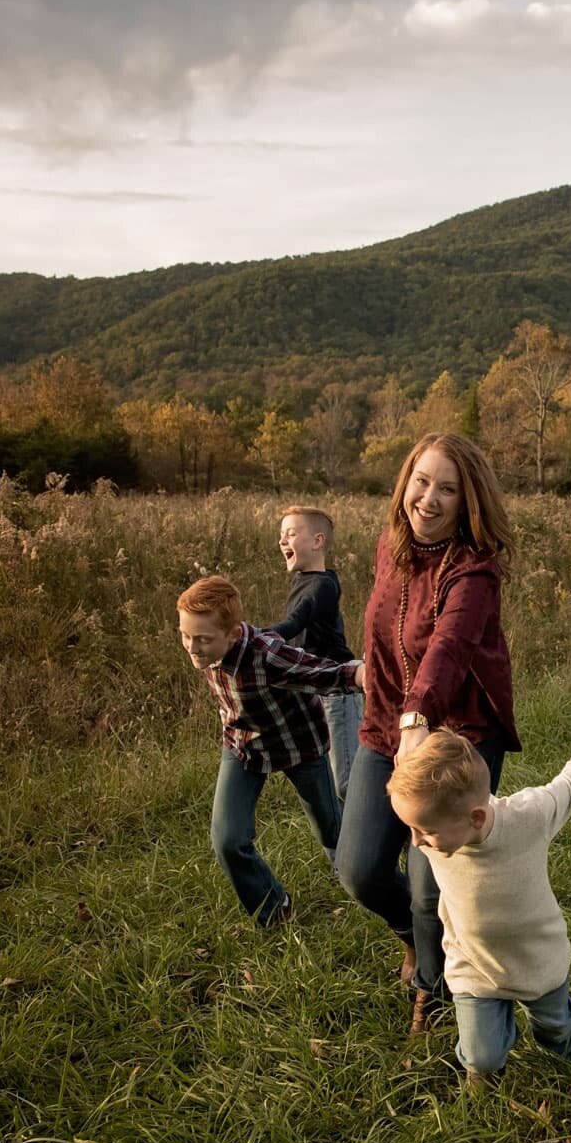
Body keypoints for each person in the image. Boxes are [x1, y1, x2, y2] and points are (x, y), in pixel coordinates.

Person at [334, 433, 520, 1031]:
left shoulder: (475, 570)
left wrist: (418, 718)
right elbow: (381, 630)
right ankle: (414, 939)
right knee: (358, 869)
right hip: (386, 727)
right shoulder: (390, 545)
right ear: (405, 482)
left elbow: (449, 648)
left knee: (429, 890)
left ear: (468, 499)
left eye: (447, 488)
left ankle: (434, 991)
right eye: (421, 481)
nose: (429, 499)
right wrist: (385, 702)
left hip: (457, 736)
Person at [388, 725, 571, 1079]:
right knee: (481, 1058)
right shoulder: (437, 828)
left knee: (555, 1034)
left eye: (425, 831)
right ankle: (482, 1081)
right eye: (411, 829)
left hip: (537, 957)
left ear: (475, 818)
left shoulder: (529, 817)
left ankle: (569, 1075)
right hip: (474, 966)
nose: (416, 842)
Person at [176, 576, 363, 925]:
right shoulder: (204, 650)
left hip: (299, 745)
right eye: (185, 635)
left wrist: (359, 675)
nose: (192, 647)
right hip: (244, 746)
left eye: (202, 639)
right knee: (228, 839)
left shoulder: (265, 653)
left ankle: (374, 875)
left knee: (331, 829)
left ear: (232, 635)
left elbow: (317, 670)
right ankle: (274, 909)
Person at [267, 505, 361, 800]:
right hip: (314, 688)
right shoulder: (302, 580)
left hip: (337, 688)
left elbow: (296, 621)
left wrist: (256, 638)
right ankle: (345, 843)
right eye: (281, 535)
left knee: (346, 783)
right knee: (330, 784)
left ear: (318, 541)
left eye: (291, 534)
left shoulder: (321, 586)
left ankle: (401, 833)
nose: (283, 541)